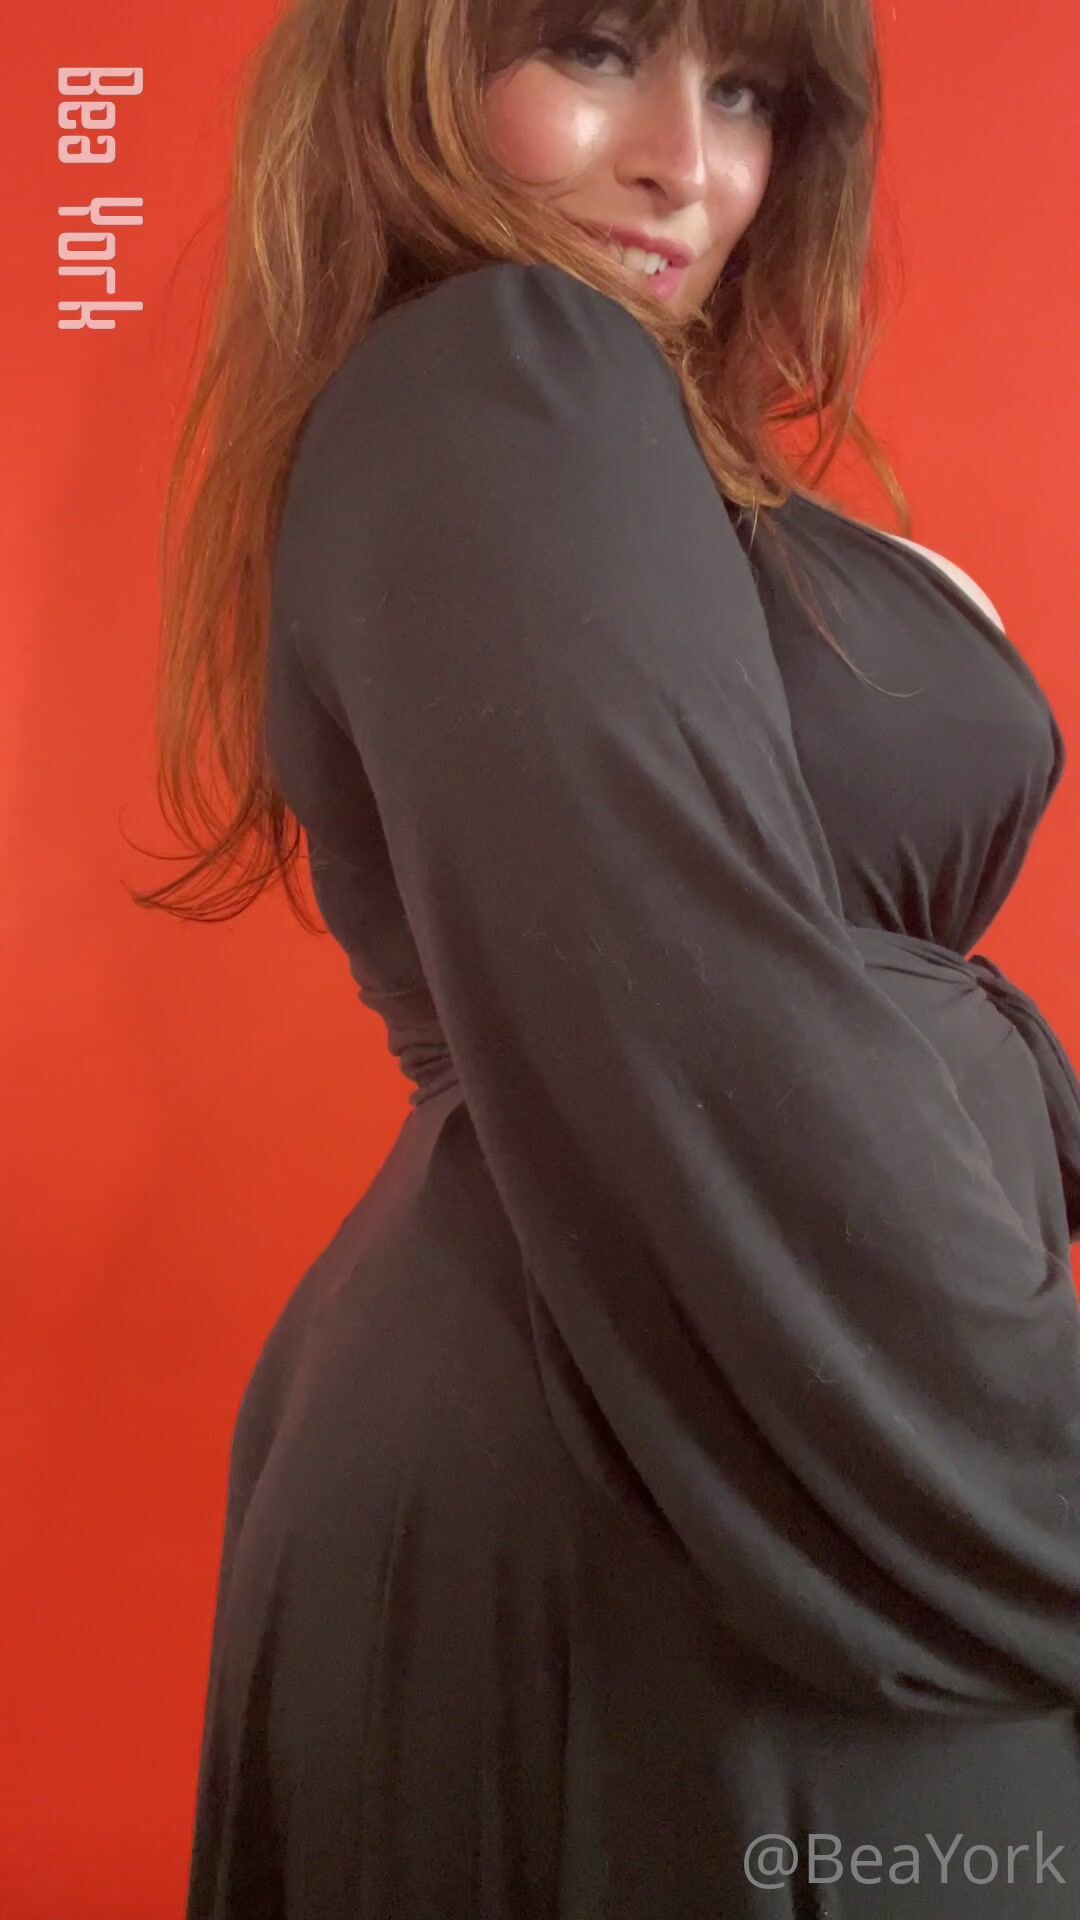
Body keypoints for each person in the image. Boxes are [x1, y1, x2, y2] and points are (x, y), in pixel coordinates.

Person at [139, 0, 1080, 1911]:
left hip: (743, 1407)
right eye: (591, 49)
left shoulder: (613, 438)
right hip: (692, 1445)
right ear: (409, 62)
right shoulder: (509, 365)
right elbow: (716, 1049)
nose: (687, 163)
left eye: (746, 91)